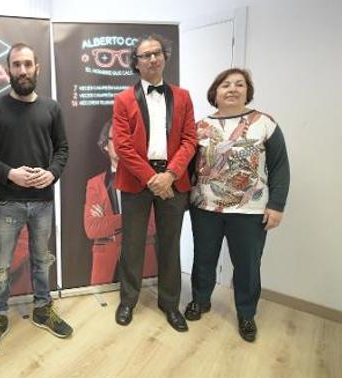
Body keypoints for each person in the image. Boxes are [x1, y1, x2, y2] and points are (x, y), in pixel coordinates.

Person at [0, 42, 71, 358]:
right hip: (8, 202)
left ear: (37, 68)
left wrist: (53, 173)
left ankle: (43, 309)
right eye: (16, 64)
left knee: (41, 259)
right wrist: (10, 175)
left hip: (44, 201)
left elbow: (62, 149)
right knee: (2, 265)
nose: (22, 70)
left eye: (27, 64)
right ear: (7, 69)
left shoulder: (52, 108)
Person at [185, 68, 290, 342]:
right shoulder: (199, 127)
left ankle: (246, 313)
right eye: (225, 85)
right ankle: (200, 300)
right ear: (215, 93)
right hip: (205, 206)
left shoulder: (265, 123)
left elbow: (280, 167)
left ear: (247, 91)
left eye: (239, 84)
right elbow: (188, 167)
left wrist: (276, 205)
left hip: (249, 211)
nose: (232, 89)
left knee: (247, 265)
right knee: (204, 258)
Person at [112, 34, 196, 332]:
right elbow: (122, 145)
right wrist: (151, 178)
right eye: (144, 55)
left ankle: (170, 303)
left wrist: (170, 175)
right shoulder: (123, 99)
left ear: (164, 56)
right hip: (137, 180)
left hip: (173, 180)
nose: (151, 59)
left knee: (169, 244)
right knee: (132, 244)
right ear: (136, 63)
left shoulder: (183, 96)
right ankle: (128, 300)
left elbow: (189, 139)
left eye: (156, 53)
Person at [84, 120, 158, 285]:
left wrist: (108, 221)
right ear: (105, 145)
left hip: (142, 256)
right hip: (106, 261)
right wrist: (129, 218)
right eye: (115, 139)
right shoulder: (94, 184)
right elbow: (91, 228)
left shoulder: (147, 178)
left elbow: (151, 225)